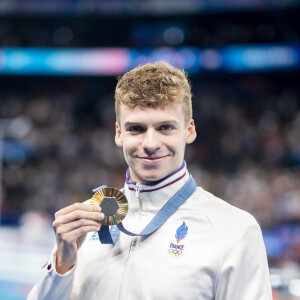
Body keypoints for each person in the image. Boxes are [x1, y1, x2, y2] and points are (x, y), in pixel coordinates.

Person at [28, 61, 272, 299]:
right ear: (118, 133)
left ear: (189, 130)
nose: (151, 144)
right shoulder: (84, 225)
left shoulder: (233, 229)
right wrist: (62, 264)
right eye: (136, 129)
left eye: (166, 127)